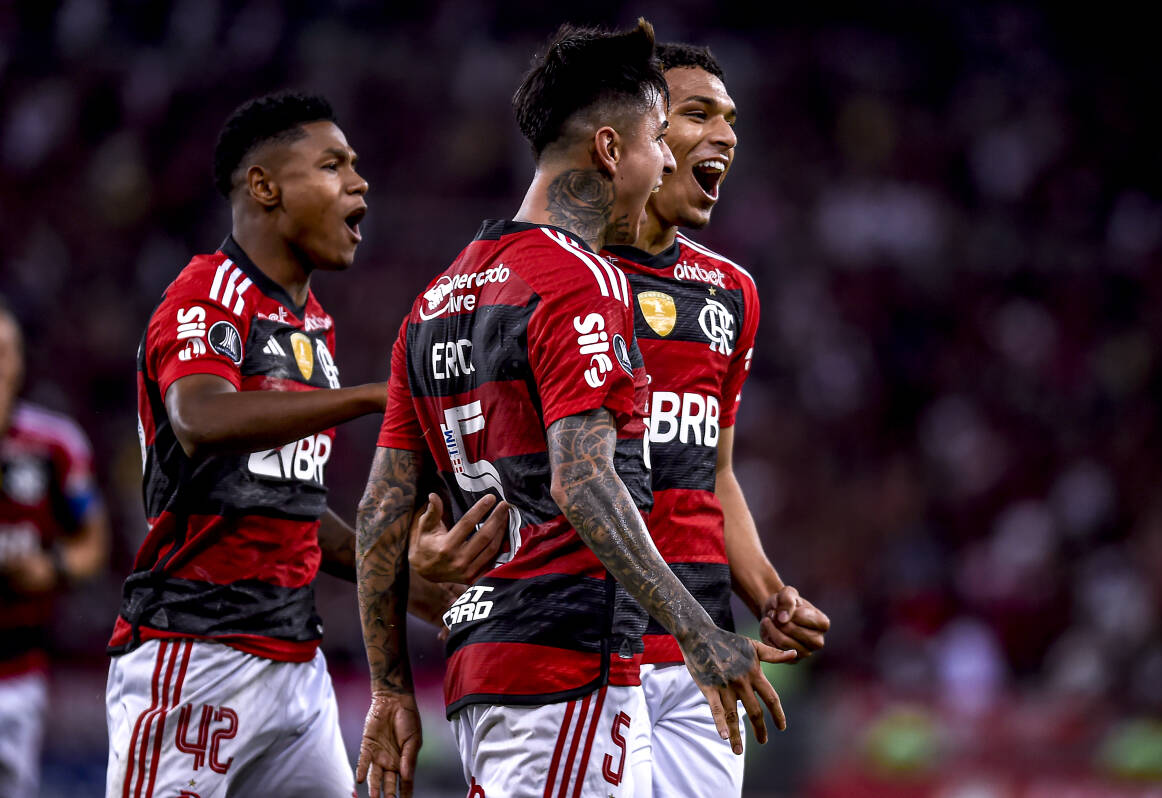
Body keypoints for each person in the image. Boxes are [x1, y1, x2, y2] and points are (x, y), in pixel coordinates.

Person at [356, 20, 796, 798]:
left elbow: (380, 513)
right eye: (659, 138)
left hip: (488, 669)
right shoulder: (580, 280)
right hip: (566, 668)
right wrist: (700, 633)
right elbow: (584, 484)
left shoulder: (433, 299)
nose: (665, 159)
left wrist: (391, 689)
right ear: (608, 150)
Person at [102, 91, 501, 798]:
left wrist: (408, 584)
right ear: (265, 187)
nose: (360, 181)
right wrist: (378, 396)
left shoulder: (313, 326)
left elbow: (290, 511)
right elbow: (201, 418)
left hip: (295, 662)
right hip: (193, 653)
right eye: (332, 165)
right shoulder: (208, 292)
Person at [600, 43, 831, 797]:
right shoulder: (562, 279)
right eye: (697, 113)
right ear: (632, 134)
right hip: (594, 641)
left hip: (706, 649)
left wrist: (768, 594)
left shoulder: (730, 292)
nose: (725, 135)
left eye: (731, 119)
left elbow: (713, 472)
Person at [0, 300, 109, 798]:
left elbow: (93, 541)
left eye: (4, 352)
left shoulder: (54, 445)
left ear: (20, 361)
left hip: (18, 673)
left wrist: (52, 566)